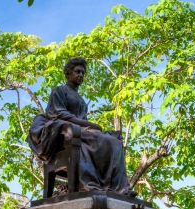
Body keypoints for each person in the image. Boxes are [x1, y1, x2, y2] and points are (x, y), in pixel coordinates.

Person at [28, 57, 136, 197]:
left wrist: (88, 126)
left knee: (115, 141)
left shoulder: (81, 100)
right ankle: (89, 185)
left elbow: (81, 119)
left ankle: (119, 189)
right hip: (64, 135)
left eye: (83, 73)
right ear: (68, 74)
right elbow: (59, 115)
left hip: (79, 131)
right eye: (77, 72)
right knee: (96, 141)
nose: (80, 75)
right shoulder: (59, 91)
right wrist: (88, 125)